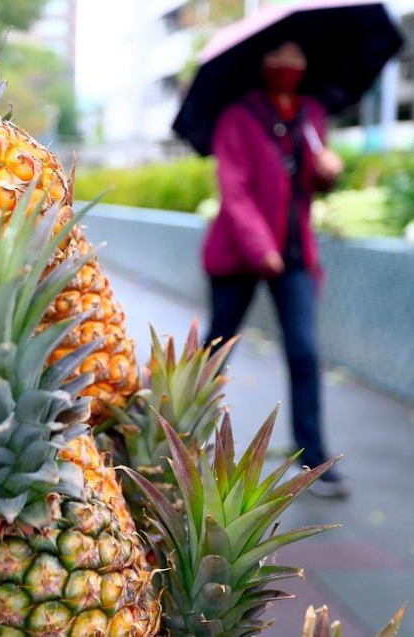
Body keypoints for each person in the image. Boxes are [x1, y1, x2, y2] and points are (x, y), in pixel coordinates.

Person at [203, 41, 349, 498]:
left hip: (295, 255)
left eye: (298, 54)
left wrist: (329, 171)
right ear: (261, 61)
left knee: (305, 353)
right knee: (215, 350)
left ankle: (313, 458)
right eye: (279, 53)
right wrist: (260, 246)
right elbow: (235, 189)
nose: (290, 63)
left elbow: (310, 180)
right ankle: (184, 443)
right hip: (239, 253)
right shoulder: (238, 117)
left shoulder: (311, 114)